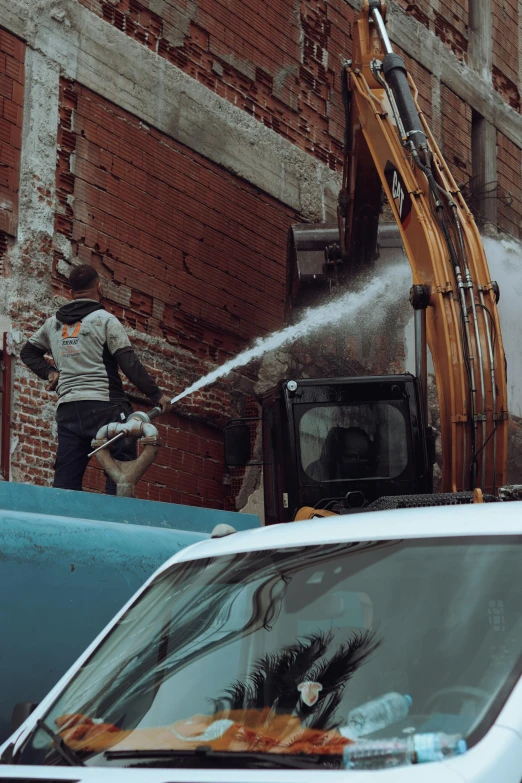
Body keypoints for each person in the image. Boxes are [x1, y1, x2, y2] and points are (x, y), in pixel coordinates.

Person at [20, 263, 172, 493]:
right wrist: (156, 395)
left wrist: (50, 372)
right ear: (99, 288)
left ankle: (64, 524)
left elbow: (27, 352)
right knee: (120, 467)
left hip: (69, 412)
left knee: (66, 482)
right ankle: (114, 521)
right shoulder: (105, 320)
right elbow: (128, 362)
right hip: (105, 407)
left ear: (71, 293)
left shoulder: (53, 324)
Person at [306, 426, 374, 482]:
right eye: (351, 456)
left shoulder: (368, 473)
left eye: (360, 458)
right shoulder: (316, 470)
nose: (356, 460)